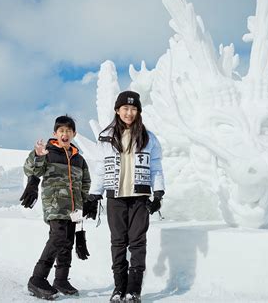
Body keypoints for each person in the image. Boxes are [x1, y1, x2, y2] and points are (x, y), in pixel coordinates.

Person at [83, 90, 165, 303]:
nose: (129, 113)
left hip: (139, 197)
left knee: (138, 242)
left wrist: (158, 193)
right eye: (125, 108)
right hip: (116, 198)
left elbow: (156, 167)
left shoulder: (148, 138)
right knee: (118, 242)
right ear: (117, 110)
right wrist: (94, 196)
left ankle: (133, 290)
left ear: (138, 112)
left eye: (134, 109)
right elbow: (101, 169)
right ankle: (118, 289)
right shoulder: (106, 137)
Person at [21, 115, 91, 300]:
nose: (65, 134)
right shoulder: (48, 152)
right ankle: (37, 278)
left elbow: (85, 182)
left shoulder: (79, 159)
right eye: (61, 131)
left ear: (74, 133)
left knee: (68, 242)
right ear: (55, 133)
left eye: (68, 130)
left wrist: (85, 203)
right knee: (58, 237)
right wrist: (36, 155)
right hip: (55, 205)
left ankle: (61, 279)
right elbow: (32, 170)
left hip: (74, 209)